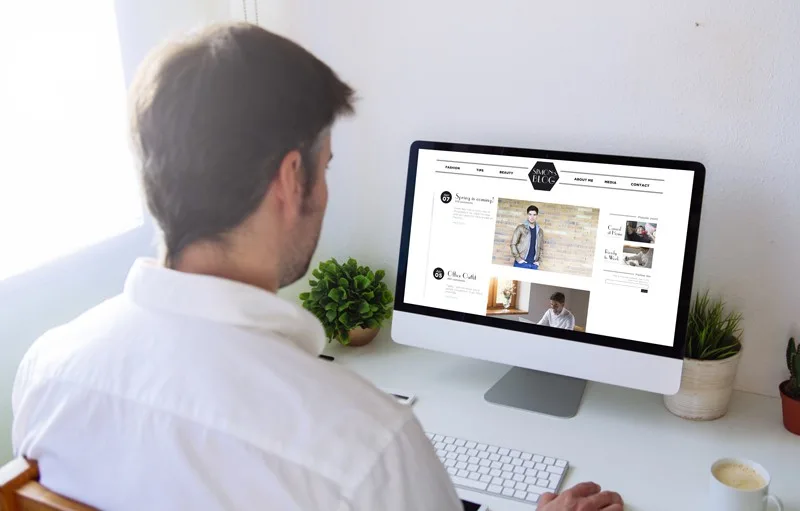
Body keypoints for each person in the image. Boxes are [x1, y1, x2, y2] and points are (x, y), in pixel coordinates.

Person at [11, 22, 622, 511]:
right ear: (290, 178)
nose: (327, 189)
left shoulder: (48, 369)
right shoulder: (366, 446)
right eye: (326, 165)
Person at [510, 205, 543, 269]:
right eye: (530, 214)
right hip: (521, 264)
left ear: (537, 216)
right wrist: (518, 259)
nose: (532, 217)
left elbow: (541, 248)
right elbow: (513, 244)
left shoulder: (540, 231)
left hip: (533, 265)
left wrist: (539, 261)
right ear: (527, 215)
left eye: (534, 215)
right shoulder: (520, 228)